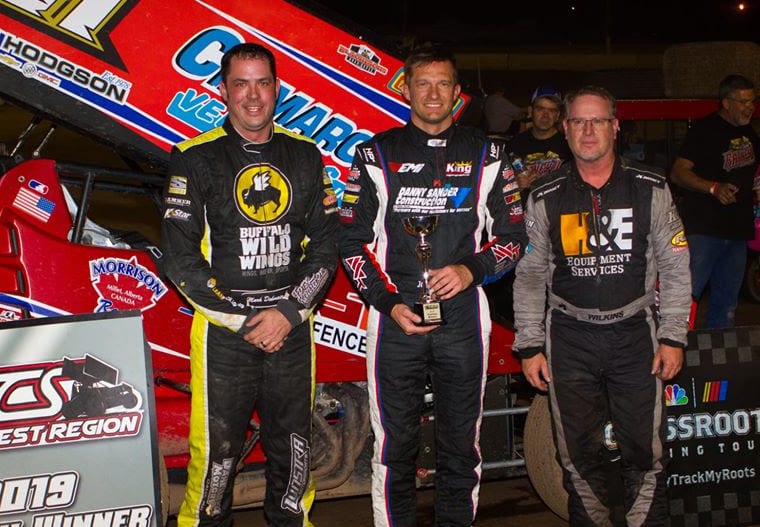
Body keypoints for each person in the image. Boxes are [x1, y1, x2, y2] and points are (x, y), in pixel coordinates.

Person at [338, 47, 527, 527]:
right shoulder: (375, 153)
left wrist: (470, 270)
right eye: (423, 83)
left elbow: (514, 238)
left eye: (443, 83)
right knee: (394, 446)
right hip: (394, 318)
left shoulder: (489, 153)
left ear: (458, 94)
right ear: (404, 89)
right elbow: (350, 241)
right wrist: (388, 302)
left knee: (461, 443)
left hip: (464, 318)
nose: (433, 93)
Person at [161, 42, 339, 527]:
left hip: (292, 330)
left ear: (277, 88)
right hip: (224, 335)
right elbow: (179, 261)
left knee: (293, 451)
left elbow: (326, 250)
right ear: (223, 91)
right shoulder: (193, 159)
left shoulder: (305, 156)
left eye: (263, 83)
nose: (253, 96)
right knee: (217, 459)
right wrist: (245, 321)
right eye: (241, 84)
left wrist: (288, 313)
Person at [512, 85, 692, 526]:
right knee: (577, 457)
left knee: (645, 456)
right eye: (578, 121)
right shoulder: (545, 195)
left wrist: (672, 336)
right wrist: (530, 344)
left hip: (635, 336)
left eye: (597, 121)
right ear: (566, 130)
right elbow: (530, 276)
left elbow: (675, 266)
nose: (588, 131)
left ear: (615, 127)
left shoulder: (651, 187)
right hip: (569, 338)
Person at [670, 74, 759, 329]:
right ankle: (673, 351)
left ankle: (719, 361)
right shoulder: (704, 130)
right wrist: (712, 187)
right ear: (726, 102)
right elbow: (678, 172)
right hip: (705, 230)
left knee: (727, 303)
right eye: (743, 101)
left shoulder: (749, 132)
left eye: (752, 100)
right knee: (687, 296)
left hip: (737, 231)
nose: (749, 106)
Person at [507, 85, 572, 193]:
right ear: (530, 111)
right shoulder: (514, 145)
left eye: (551, 110)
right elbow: (501, 188)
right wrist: (514, 185)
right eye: (540, 109)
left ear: (557, 115)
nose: (545, 115)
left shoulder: (569, 145)